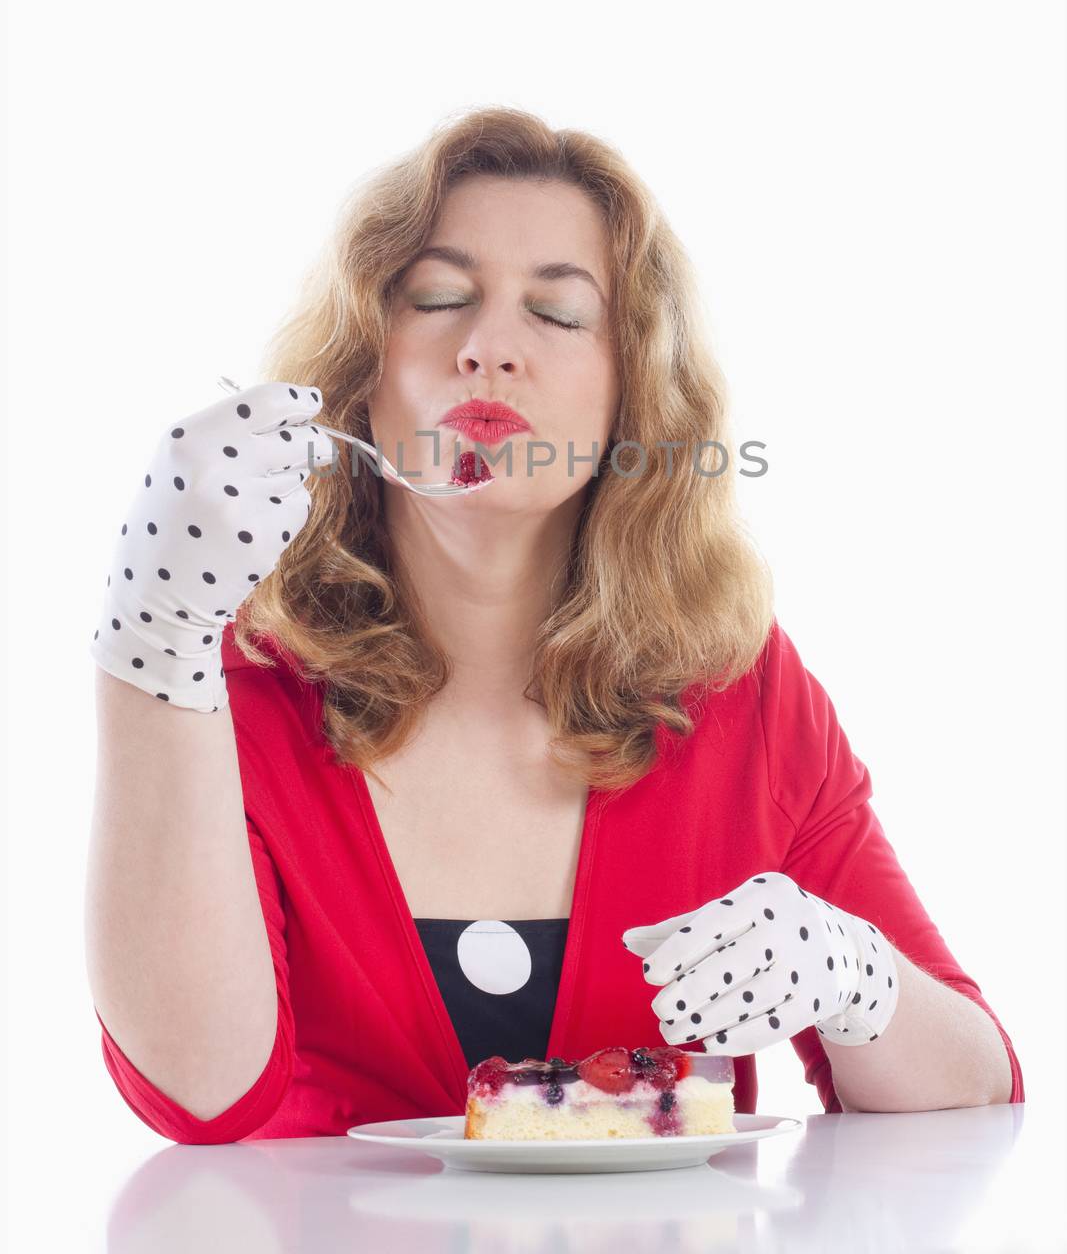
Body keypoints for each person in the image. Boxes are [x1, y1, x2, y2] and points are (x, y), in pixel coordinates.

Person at [86, 106, 1023, 1144]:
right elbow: (198, 1095)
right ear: (361, 367)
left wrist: (860, 981)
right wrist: (152, 646)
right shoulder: (227, 682)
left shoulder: (736, 689)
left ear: (632, 391)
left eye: (559, 315)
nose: (487, 348)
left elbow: (975, 1087)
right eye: (438, 297)